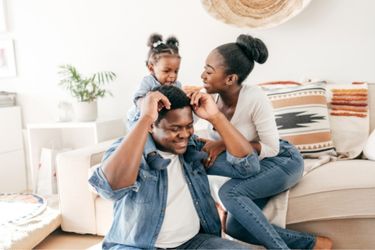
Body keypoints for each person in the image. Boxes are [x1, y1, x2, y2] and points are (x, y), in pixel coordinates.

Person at [197, 34, 333, 249]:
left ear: (230, 78)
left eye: (209, 71)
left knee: (229, 193)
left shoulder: (254, 98)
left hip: (281, 161)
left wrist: (223, 143)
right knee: (235, 228)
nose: (202, 75)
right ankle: (315, 245)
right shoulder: (209, 99)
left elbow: (272, 147)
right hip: (249, 166)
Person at [89, 85, 257, 249]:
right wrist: (145, 117)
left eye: (189, 126)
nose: (184, 134)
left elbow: (248, 166)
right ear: (151, 126)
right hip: (139, 246)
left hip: (194, 243)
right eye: (175, 128)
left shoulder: (194, 148)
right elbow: (108, 190)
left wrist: (216, 117)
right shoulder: (130, 149)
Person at [126, 33, 182, 168]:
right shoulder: (148, 82)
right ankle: (152, 156)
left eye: (176, 71)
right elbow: (137, 99)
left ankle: (191, 149)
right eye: (167, 71)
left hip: (159, 119)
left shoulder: (177, 85)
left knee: (183, 123)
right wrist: (148, 101)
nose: (172, 76)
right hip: (139, 117)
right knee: (143, 132)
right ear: (151, 68)